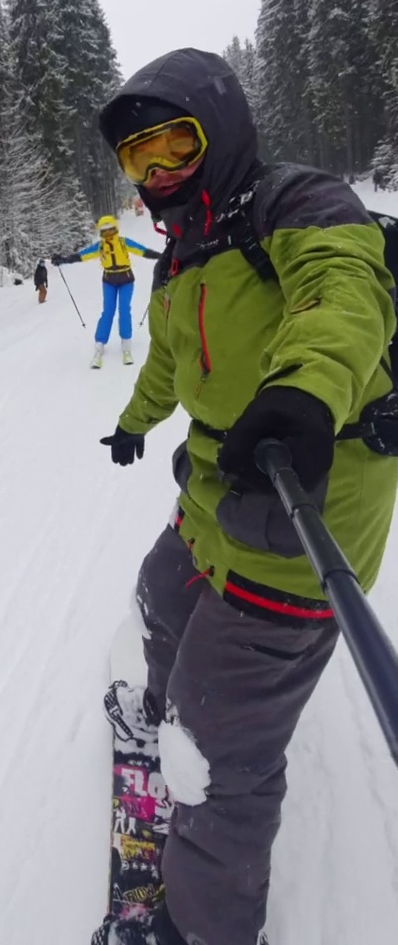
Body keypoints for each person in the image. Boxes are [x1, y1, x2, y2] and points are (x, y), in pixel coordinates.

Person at [94, 48, 398, 945]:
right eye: (139, 161)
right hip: (218, 487)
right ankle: (160, 703)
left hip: (306, 505)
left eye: (176, 149)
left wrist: (305, 389)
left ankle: (206, 928)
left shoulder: (298, 205)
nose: (157, 177)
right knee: (158, 596)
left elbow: (342, 296)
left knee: (220, 753)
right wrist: (136, 420)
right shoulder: (179, 256)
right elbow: (167, 360)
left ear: (220, 136)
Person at [52, 215, 159, 367]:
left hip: (126, 279)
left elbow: (142, 251)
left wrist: (162, 257)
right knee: (108, 311)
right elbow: (82, 255)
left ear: (115, 229)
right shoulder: (100, 246)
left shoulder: (123, 242)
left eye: (111, 230)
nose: (108, 234)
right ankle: (99, 344)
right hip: (109, 280)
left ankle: (126, 345)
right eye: (104, 232)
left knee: (124, 310)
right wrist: (63, 259)